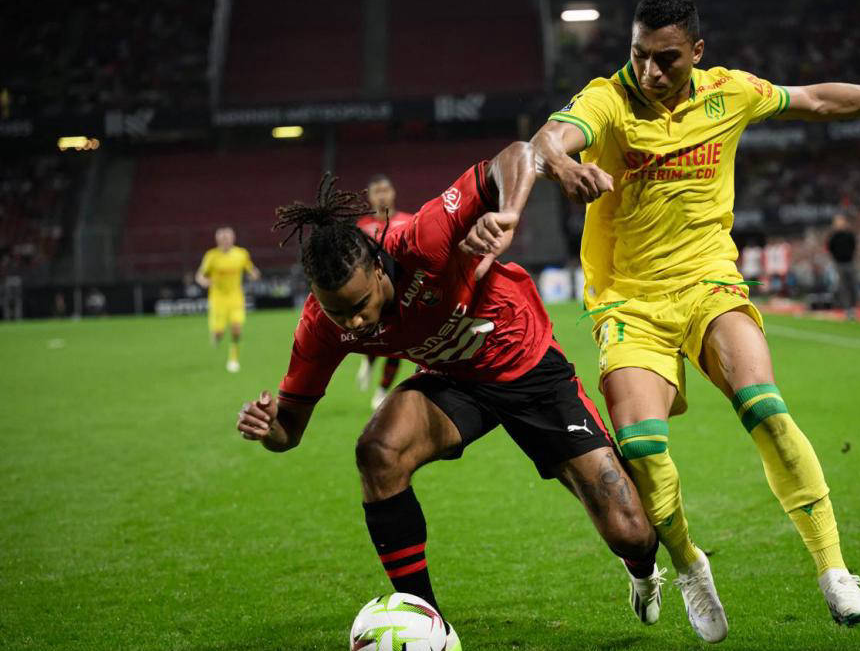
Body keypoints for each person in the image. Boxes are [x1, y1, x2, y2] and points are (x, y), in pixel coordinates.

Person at [528, 0, 860, 639]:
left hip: (707, 282)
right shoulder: (610, 99)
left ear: (697, 52)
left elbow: (818, 99)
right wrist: (559, 161)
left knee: (764, 406)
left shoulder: (730, 92)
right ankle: (688, 564)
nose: (649, 71)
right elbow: (551, 136)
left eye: (666, 58)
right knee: (642, 447)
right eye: (639, 55)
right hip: (630, 300)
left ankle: (834, 571)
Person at [235, 142, 664, 650]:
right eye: (338, 312)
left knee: (632, 532)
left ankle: (642, 571)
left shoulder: (424, 239)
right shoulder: (321, 326)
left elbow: (517, 154)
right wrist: (268, 428)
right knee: (379, 452)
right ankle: (427, 623)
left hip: (526, 366)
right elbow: (289, 431)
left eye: (360, 304)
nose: (354, 321)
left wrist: (507, 215)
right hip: (455, 381)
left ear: (379, 270)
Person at [354, 174, 414, 409]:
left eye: (385, 190)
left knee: (396, 346)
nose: (382, 196)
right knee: (374, 336)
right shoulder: (362, 227)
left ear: (393, 193)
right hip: (373, 296)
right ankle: (368, 361)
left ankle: (381, 391)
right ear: (370, 197)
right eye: (377, 192)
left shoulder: (409, 221)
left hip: (402, 293)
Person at [196, 227, 260, 372]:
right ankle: (216, 337)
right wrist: (204, 281)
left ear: (233, 238)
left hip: (236, 297)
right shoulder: (211, 256)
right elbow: (200, 275)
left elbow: (251, 269)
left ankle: (233, 359)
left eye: (228, 238)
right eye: (223, 238)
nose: (225, 241)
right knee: (219, 332)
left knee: (236, 327)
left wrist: (255, 274)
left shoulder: (241, 254)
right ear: (217, 240)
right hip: (218, 299)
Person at [826, 215, 858, 320]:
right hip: (839, 263)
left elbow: (854, 245)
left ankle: (854, 308)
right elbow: (829, 247)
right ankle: (847, 309)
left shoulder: (849, 234)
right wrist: (836, 258)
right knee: (843, 287)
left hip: (849, 262)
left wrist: (850, 255)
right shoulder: (833, 236)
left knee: (852, 286)